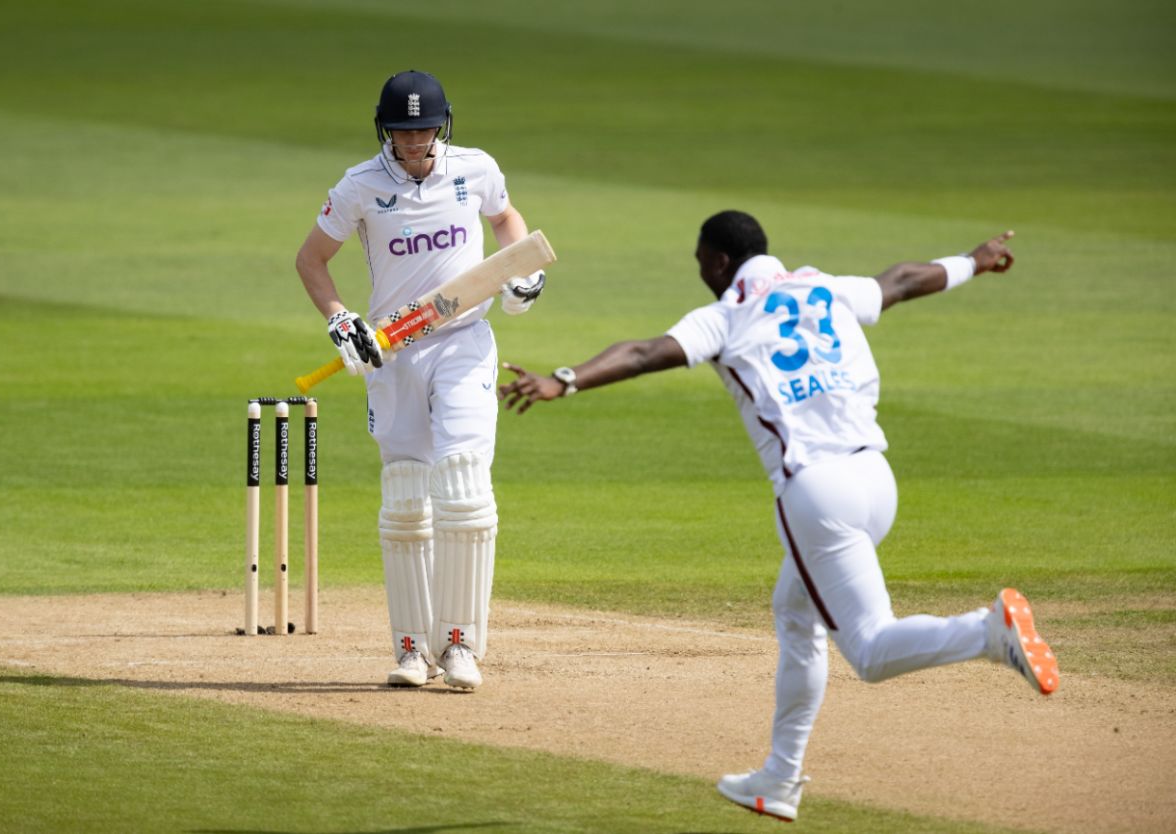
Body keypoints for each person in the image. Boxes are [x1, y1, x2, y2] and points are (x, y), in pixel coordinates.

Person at [497, 210, 1059, 821]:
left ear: (716, 262)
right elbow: (900, 281)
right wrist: (973, 262)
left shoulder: (726, 316)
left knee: (869, 651)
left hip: (817, 495)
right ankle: (779, 778)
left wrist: (565, 380)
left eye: (699, 261)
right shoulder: (824, 287)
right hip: (877, 479)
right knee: (796, 614)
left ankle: (988, 633)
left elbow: (641, 352)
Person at [296, 70, 546, 691]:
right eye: (403, 133)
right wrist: (340, 321)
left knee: (462, 486)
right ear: (385, 130)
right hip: (392, 354)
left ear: (444, 125)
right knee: (407, 499)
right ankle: (412, 650)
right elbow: (311, 260)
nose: (414, 142)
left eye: (425, 130)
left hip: (463, 342)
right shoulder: (358, 186)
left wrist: (521, 276)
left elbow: (509, 222)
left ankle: (460, 645)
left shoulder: (475, 169)